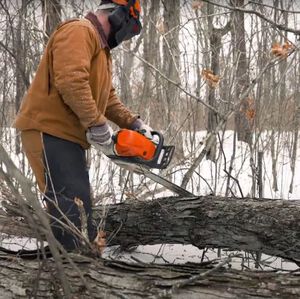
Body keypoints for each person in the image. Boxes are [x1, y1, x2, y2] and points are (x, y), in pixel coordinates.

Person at [14, 0, 153, 251]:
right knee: (71, 209)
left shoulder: (101, 51)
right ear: (119, 16)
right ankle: (71, 274)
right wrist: (97, 125)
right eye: (130, 28)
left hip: (66, 136)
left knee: (79, 208)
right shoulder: (80, 31)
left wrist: (134, 123)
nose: (126, 36)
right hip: (50, 130)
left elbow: (107, 98)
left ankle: (76, 265)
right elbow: (71, 81)